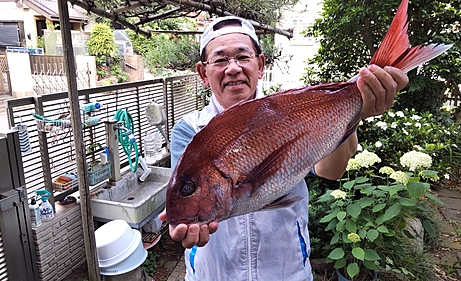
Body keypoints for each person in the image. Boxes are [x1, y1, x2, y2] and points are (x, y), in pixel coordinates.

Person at [159, 16, 409, 280]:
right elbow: (184, 201)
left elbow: (330, 171)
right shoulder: (191, 130)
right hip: (216, 274)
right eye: (220, 60)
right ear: (203, 73)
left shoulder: (288, 113)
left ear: (260, 65)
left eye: (243, 57)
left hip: (287, 271)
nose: (233, 68)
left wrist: (357, 109)